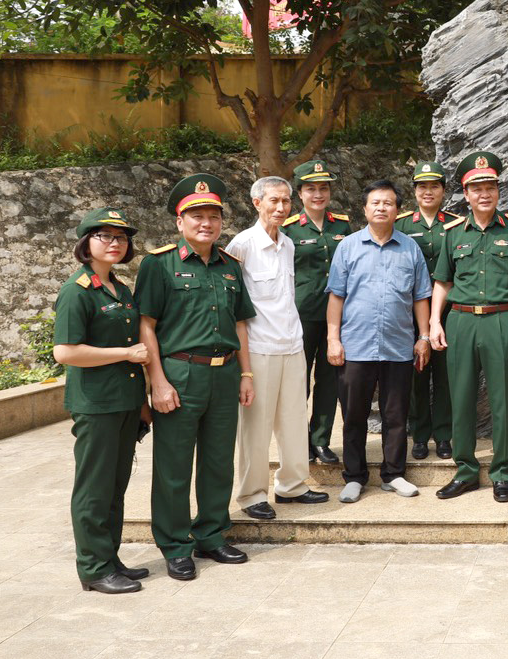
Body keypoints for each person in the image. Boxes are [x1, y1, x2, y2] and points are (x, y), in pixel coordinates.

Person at [136, 174, 256, 581]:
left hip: (224, 375)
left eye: (213, 216)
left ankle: (211, 534)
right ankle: (174, 544)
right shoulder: (159, 264)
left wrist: (247, 373)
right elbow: (146, 325)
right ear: (179, 221)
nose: (206, 223)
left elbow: (241, 324)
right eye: (196, 216)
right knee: (173, 465)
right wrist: (158, 381)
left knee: (219, 460)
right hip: (180, 373)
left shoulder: (230, 266)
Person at [430, 151, 508, 502]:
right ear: (465, 193)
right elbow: (442, 282)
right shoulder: (452, 234)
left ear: (497, 191)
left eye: (490, 186)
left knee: (502, 400)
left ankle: (503, 472)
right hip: (460, 320)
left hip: (502, 320)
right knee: (459, 398)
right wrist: (434, 321)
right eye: (476, 188)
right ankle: (465, 471)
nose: (484, 194)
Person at [53, 208, 150, 594]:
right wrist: (125, 355)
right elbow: (66, 352)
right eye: (104, 236)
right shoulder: (76, 290)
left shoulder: (119, 288)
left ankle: (109, 558)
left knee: (115, 485)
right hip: (96, 404)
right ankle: (93, 568)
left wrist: (141, 398)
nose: (114, 243)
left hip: (124, 401)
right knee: (94, 488)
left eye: (121, 238)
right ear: (85, 244)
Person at [225, 177, 330, 521]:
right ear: (257, 203)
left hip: (291, 343)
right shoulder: (242, 245)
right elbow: (233, 305)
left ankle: (293, 484)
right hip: (259, 347)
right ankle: (253, 494)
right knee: (256, 426)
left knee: (294, 419)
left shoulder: (287, 243)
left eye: (286, 201)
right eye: (274, 201)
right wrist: (242, 366)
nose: (281, 208)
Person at [326, 180, 432, 504]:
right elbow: (336, 296)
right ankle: (355, 477)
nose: (382, 207)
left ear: (398, 210)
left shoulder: (410, 248)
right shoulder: (348, 247)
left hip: (399, 345)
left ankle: (394, 473)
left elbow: (420, 297)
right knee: (354, 414)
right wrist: (333, 339)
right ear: (365, 209)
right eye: (376, 202)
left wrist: (424, 336)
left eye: (388, 202)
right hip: (356, 344)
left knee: (396, 414)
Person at [281, 159, 350, 465]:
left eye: (323, 188)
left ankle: (320, 439)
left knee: (329, 379)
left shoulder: (342, 226)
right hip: (300, 314)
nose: (318, 194)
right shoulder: (287, 230)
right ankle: (297, 443)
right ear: (300, 193)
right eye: (311, 189)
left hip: (337, 316)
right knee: (297, 382)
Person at [395, 160, 460, 461]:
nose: (428, 191)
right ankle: (420, 436)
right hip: (412, 313)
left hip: (451, 312)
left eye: (434, 185)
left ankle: (444, 435)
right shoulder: (403, 226)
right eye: (422, 186)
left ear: (444, 190)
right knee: (417, 375)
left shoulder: (457, 225)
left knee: (447, 376)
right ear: (415, 191)